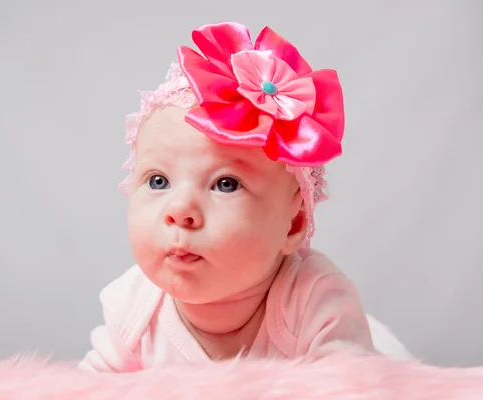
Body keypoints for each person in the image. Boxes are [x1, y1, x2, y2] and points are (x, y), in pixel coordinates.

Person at [78, 21, 375, 373]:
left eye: (226, 184)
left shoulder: (313, 304)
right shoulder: (135, 310)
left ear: (292, 223)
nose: (180, 210)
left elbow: (354, 386)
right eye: (158, 181)